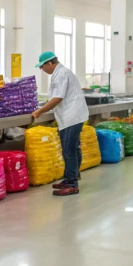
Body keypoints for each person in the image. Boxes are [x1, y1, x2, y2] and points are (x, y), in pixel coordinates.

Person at [31, 52, 89, 196]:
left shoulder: (62, 74)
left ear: (49, 63)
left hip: (72, 116)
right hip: (70, 116)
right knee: (73, 149)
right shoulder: (59, 74)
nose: (42, 70)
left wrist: (39, 112)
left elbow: (58, 97)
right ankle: (73, 176)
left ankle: (72, 184)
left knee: (69, 150)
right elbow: (54, 96)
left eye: (42, 66)